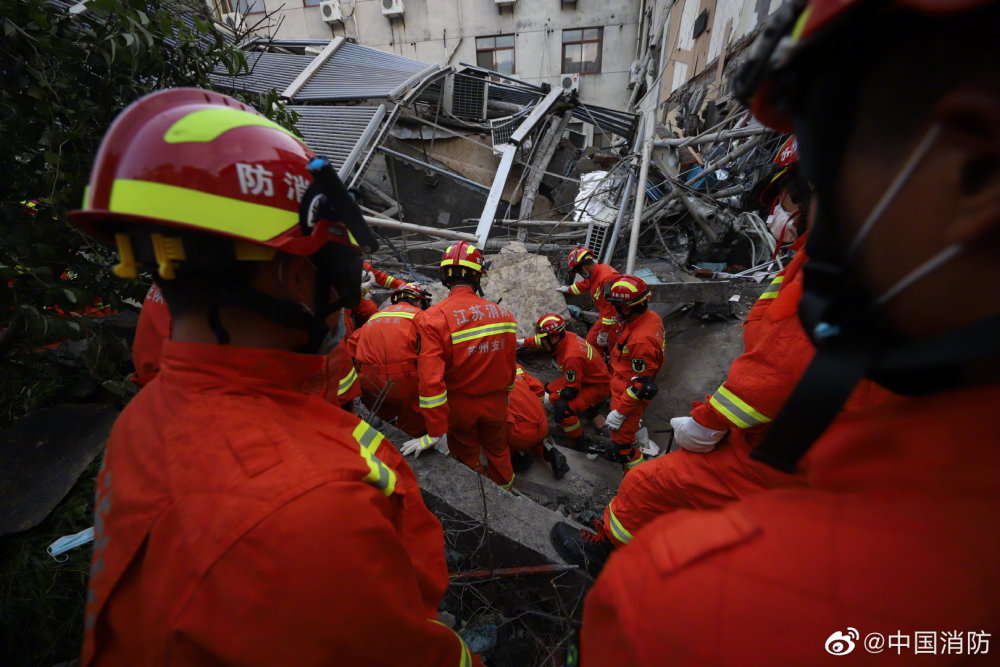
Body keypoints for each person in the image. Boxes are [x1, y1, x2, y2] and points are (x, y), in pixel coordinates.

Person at [581, 0, 1000, 662]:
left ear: (974, 173)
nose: (796, 216)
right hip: (800, 449)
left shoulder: (682, 605)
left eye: (815, 187)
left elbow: (769, 369)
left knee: (647, 483)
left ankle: (601, 550)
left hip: (761, 455)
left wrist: (696, 421)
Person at [70, 88, 476, 666]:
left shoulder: (148, 415)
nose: (342, 297)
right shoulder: (312, 506)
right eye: (336, 269)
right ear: (291, 278)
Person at [404, 241, 519, 489]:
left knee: (467, 455)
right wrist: (506, 395)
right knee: (499, 452)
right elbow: (510, 365)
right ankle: (508, 496)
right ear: (478, 276)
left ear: (445, 276)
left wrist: (435, 430)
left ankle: (480, 503)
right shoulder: (504, 315)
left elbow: (430, 380)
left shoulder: (433, 318)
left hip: (460, 407)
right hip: (497, 402)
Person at [346, 282, 431, 436]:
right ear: (418, 301)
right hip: (403, 382)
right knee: (415, 422)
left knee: (385, 418)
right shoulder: (421, 316)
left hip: (368, 383)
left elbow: (350, 347)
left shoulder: (375, 317)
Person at [519, 313, 611, 451]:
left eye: (544, 338)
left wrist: (551, 399)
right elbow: (541, 341)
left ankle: (578, 441)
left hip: (596, 387)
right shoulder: (566, 336)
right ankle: (589, 410)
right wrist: (519, 342)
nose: (541, 341)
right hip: (587, 377)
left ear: (554, 338)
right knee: (547, 388)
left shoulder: (571, 357)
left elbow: (571, 391)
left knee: (562, 408)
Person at [506, 365, 571, 479]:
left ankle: (518, 457)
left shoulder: (482, 380)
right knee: (534, 437)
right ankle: (551, 452)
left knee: (493, 433)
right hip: (542, 423)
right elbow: (539, 388)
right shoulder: (513, 366)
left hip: (521, 434)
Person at [557, 247, 621, 354]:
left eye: (578, 271)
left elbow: (611, 310)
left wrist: (604, 333)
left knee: (614, 349)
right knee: (591, 344)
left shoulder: (606, 279)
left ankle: (611, 368)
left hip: (615, 320)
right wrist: (569, 289)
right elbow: (587, 283)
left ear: (583, 268)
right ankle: (598, 363)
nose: (580, 274)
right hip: (606, 317)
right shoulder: (597, 272)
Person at [353, 260, 406, 325]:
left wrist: (403, 285)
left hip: (359, 296)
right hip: (341, 296)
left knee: (370, 311)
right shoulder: (339, 265)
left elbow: (381, 277)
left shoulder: (361, 264)